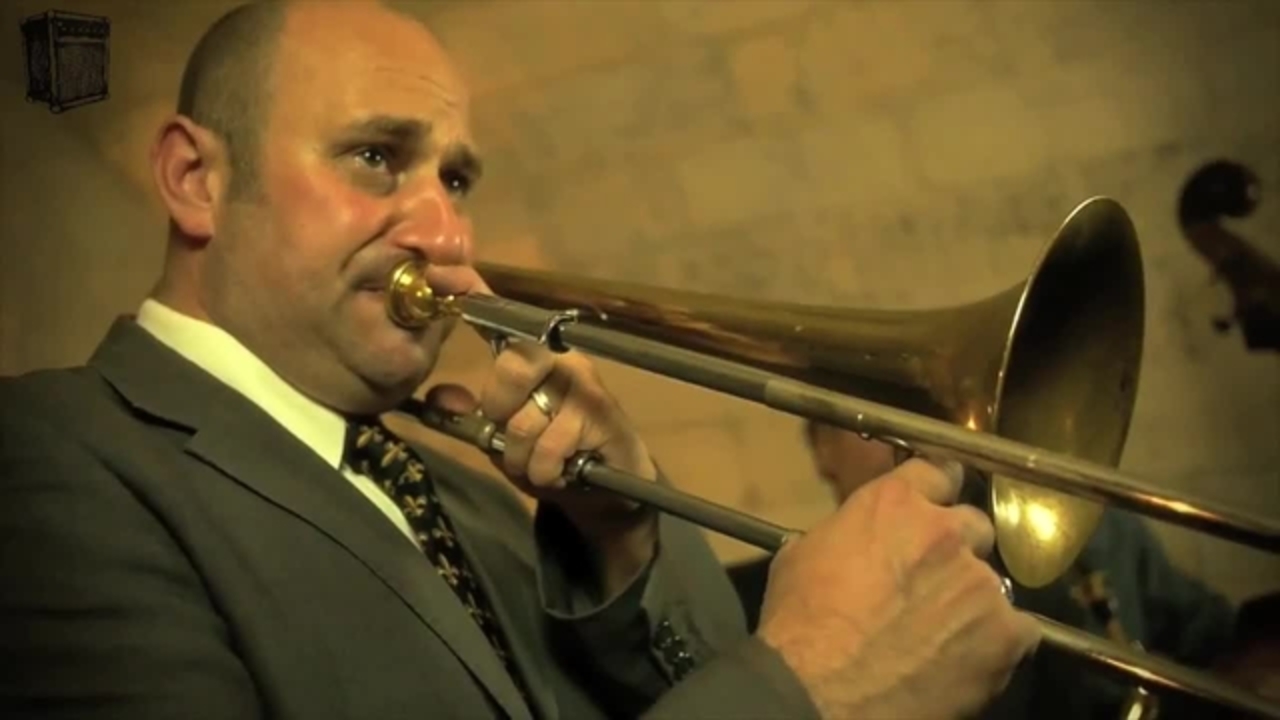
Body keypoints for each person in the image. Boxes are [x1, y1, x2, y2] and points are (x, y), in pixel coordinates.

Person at [0, 3, 1040, 719]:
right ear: (195, 180)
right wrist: (809, 689)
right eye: (376, 157)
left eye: (455, 181)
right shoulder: (50, 459)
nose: (447, 236)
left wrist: (625, 536)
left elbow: (696, 683)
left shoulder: (473, 496)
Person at [727, 420, 1238, 719]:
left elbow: (1214, 640)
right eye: (870, 423)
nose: (911, 436)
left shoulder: (1084, 534)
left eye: (924, 410)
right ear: (823, 451)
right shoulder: (752, 602)